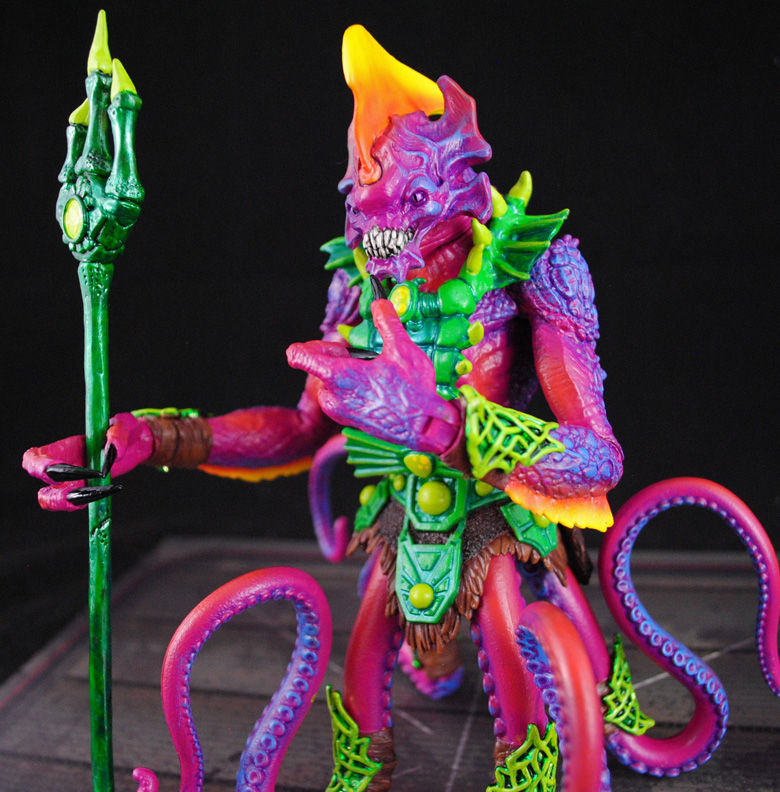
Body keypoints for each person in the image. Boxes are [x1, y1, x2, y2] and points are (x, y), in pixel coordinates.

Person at [24, 25, 623, 788]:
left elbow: (598, 457)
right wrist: (156, 436)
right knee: (364, 683)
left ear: (459, 184)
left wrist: (443, 424)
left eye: (407, 204)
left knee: (523, 689)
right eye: (365, 212)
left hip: (503, 520)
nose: (385, 242)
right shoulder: (364, 279)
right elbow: (300, 429)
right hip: (399, 516)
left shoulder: (536, 267)